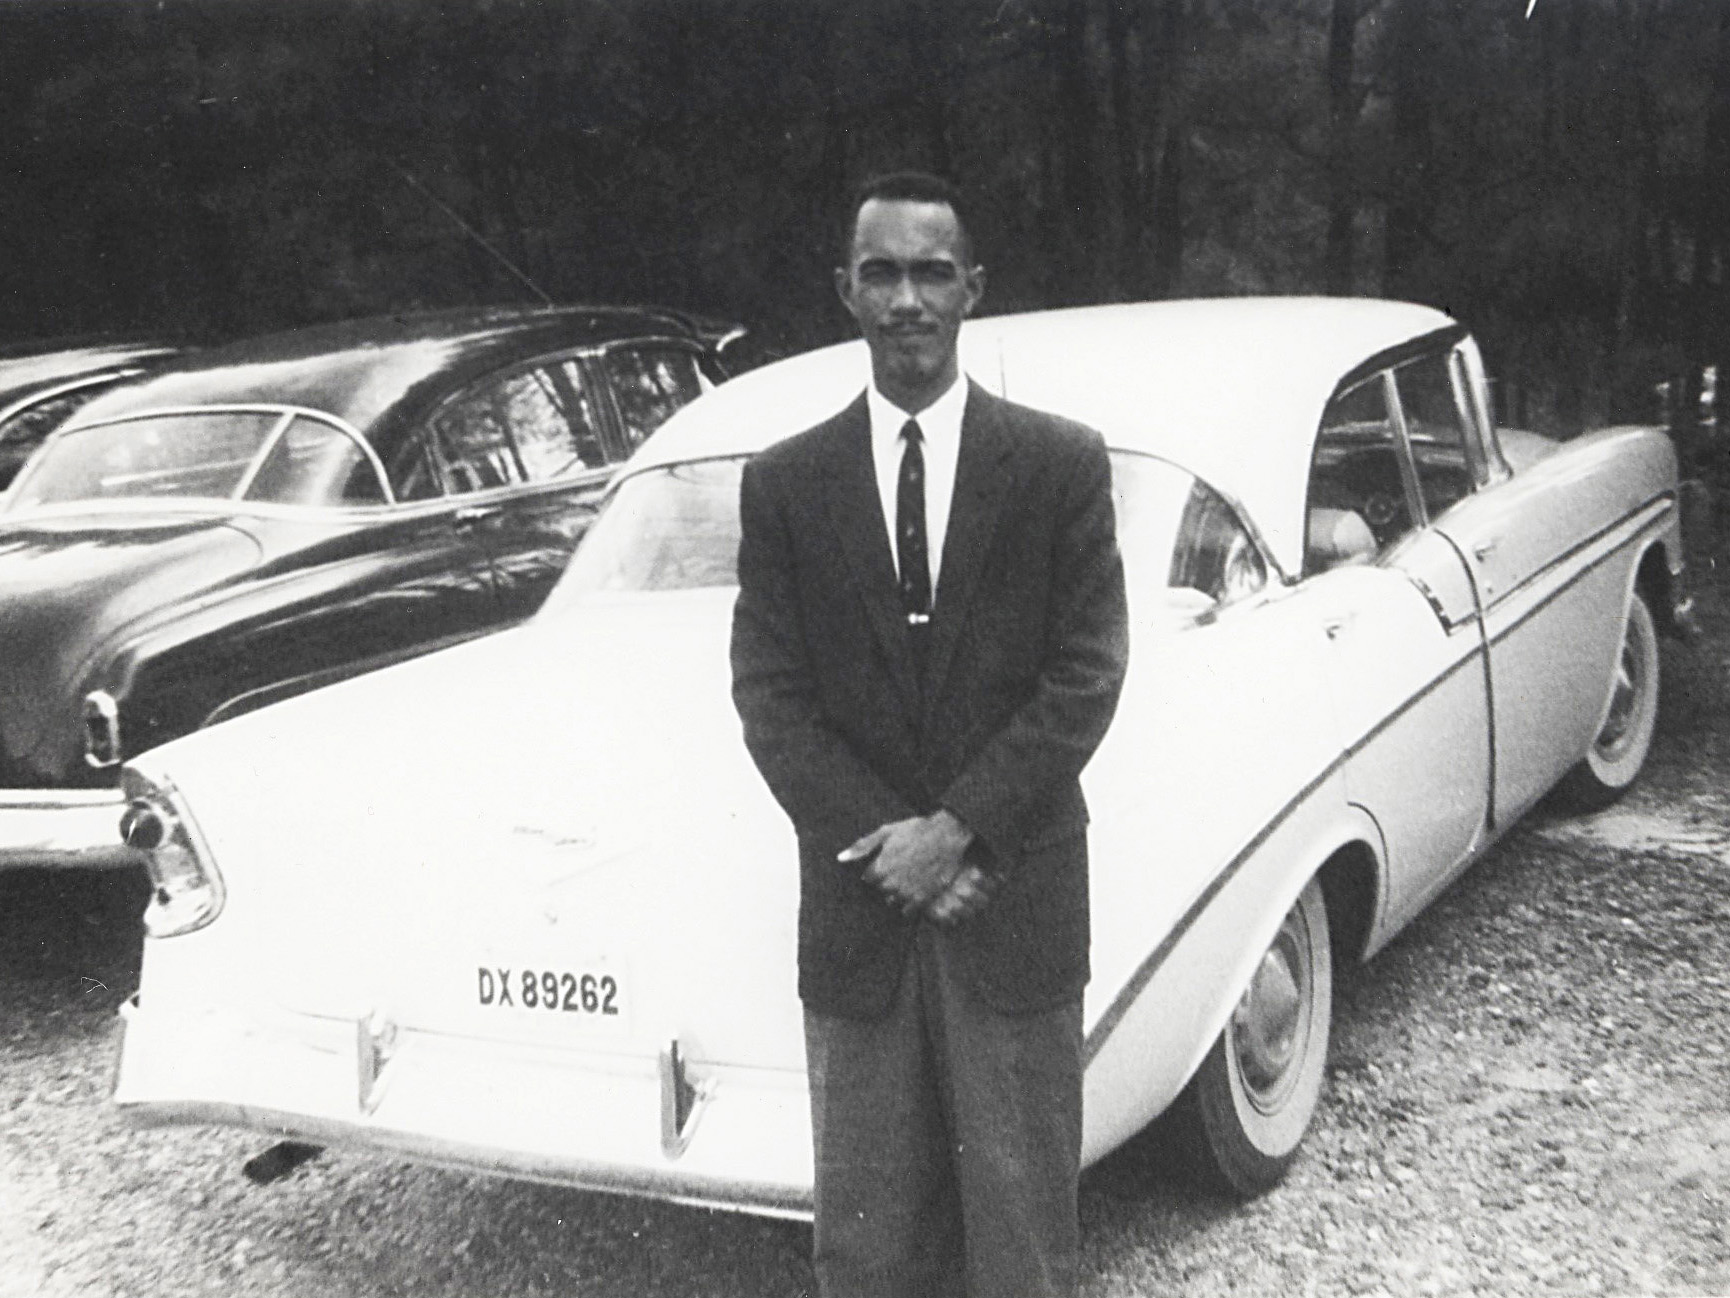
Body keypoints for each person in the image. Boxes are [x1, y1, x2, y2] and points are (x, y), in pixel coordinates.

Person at [729, 171, 1129, 1298]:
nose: (908, 299)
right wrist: (887, 846)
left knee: (1022, 1233)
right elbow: (768, 695)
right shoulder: (786, 483)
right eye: (883, 274)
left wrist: (956, 833)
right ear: (846, 291)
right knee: (867, 1246)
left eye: (932, 273)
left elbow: (1086, 672)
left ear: (972, 290)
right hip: (860, 918)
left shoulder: (1058, 464)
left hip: (1012, 896)